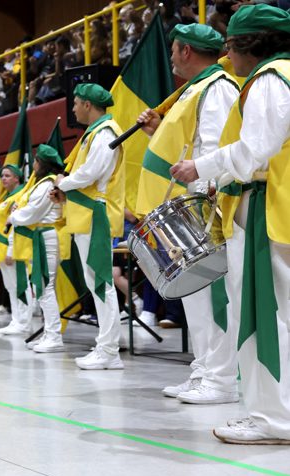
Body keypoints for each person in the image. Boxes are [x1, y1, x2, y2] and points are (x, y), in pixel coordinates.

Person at [171, 5, 290, 444]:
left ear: (246, 45)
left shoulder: (269, 79)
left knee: (264, 316)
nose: (226, 56)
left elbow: (255, 149)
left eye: (229, 46)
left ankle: (273, 419)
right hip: (279, 206)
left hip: (266, 209)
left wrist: (200, 167)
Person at [137, 23, 240, 404]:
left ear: (185, 51)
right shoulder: (196, 89)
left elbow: (215, 145)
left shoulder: (216, 87)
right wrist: (157, 131)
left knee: (212, 295)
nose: (171, 56)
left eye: (173, 49)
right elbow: (190, 143)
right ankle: (203, 370)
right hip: (191, 205)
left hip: (206, 206)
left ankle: (221, 380)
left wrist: (206, 194)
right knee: (196, 296)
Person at [52, 83, 125, 370]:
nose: (72, 109)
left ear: (87, 105)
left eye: (75, 103)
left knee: (101, 281)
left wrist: (63, 183)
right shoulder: (95, 133)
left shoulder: (105, 132)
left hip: (96, 216)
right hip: (87, 215)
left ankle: (109, 351)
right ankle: (106, 347)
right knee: (96, 281)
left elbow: (90, 173)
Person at [10, 145, 66, 353]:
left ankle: (54, 337)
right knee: (42, 288)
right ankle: (49, 334)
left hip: (46, 238)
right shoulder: (44, 183)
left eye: (35, 160)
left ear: (41, 163)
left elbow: (32, 213)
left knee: (45, 287)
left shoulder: (47, 184)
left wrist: (13, 216)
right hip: (41, 236)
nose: (33, 164)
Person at [0, 164, 34, 335]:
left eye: (7, 175)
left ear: (17, 178)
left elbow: (16, 225)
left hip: (13, 248)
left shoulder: (20, 196)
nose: (3, 179)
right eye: (2, 176)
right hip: (0, 247)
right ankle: (16, 320)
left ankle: (24, 322)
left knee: (20, 285)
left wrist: (11, 250)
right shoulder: (6, 197)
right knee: (10, 286)